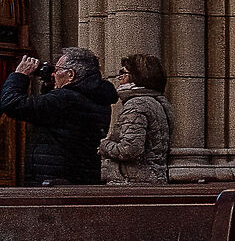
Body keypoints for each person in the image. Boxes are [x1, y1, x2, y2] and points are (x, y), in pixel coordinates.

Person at [0, 47, 118, 185]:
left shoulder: (65, 99)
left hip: (54, 181)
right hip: (80, 177)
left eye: (57, 70)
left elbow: (11, 103)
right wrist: (52, 85)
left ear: (70, 75)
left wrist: (20, 75)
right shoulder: (97, 99)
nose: (53, 74)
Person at [98, 54, 174, 184]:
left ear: (138, 77)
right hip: (153, 178)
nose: (120, 78)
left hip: (132, 181)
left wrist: (104, 145)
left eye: (124, 73)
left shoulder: (136, 105)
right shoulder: (157, 102)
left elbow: (129, 150)